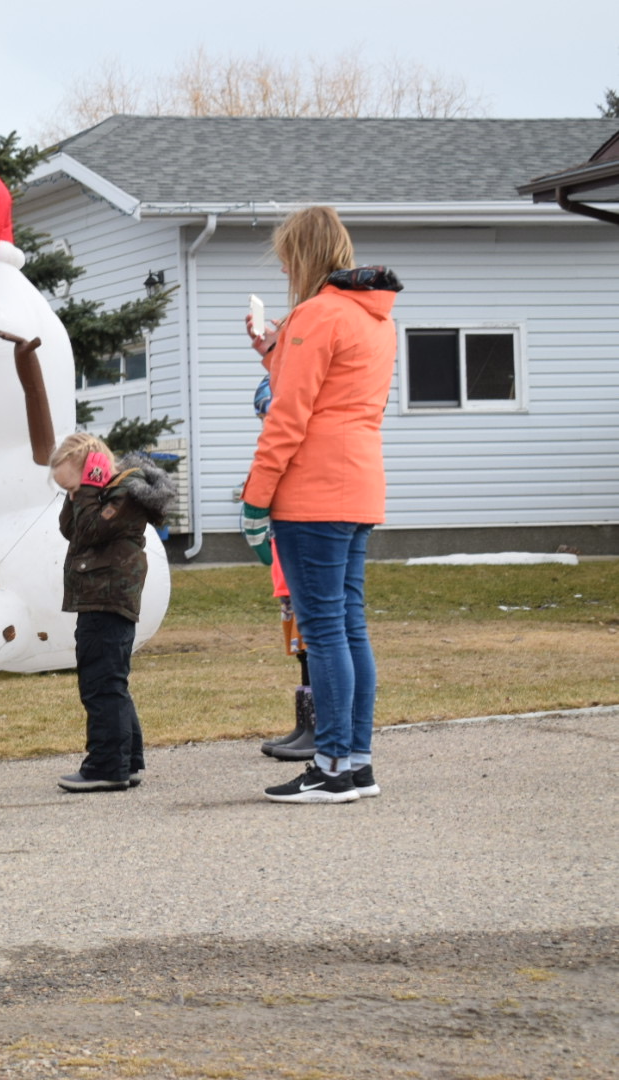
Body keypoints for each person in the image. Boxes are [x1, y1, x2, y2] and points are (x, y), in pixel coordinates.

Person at [240, 205, 402, 804]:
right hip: (359, 483)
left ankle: (330, 766)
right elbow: (330, 393)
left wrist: (256, 500)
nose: (283, 266)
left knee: (324, 632)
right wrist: (272, 350)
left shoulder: (316, 314)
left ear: (301, 256)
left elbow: (287, 415)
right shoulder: (373, 317)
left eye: (286, 256)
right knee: (350, 627)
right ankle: (355, 761)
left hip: (313, 490)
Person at [50, 433, 176, 793]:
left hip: (108, 600)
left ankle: (106, 766)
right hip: (97, 597)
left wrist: (88, 489)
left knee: (101, 685)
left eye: (72, 486)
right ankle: (127, 762)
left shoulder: (126, 493)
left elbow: (90, 530)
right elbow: (71, 530)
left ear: (91, 469)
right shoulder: (99, 494)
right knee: (108, 682)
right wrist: (78, 494)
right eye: (66, 491)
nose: (73, 496)